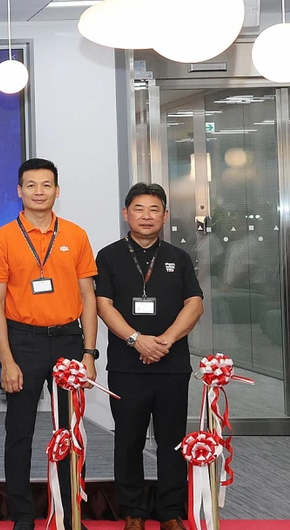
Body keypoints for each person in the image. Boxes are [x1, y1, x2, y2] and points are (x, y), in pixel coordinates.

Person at [0, 158, 98, 530]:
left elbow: (88, 296)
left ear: (57, 191)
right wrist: (6, 359)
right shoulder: (3, 238)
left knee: (69, 429)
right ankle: (22, 516)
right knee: (19, 432)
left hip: (68, 340)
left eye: (46, 185)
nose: (38, 192)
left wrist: (89, 353)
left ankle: (69, 512)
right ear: (19, 191)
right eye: (30, 185)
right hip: (23, 342)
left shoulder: (76, 235)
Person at [95, 183, 202, 530]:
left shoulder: (179, 257)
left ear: (165, 215)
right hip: (127, 366)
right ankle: (133, 511)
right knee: (128, 439)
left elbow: (195, 303)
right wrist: (137, 340)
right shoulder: (109, 256)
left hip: (172, 365)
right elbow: (102, 305)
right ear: (126, 214)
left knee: (172, 438)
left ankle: (170, 510)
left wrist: (165, 342)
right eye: (138, 209)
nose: (146, 216)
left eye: (154, 209)